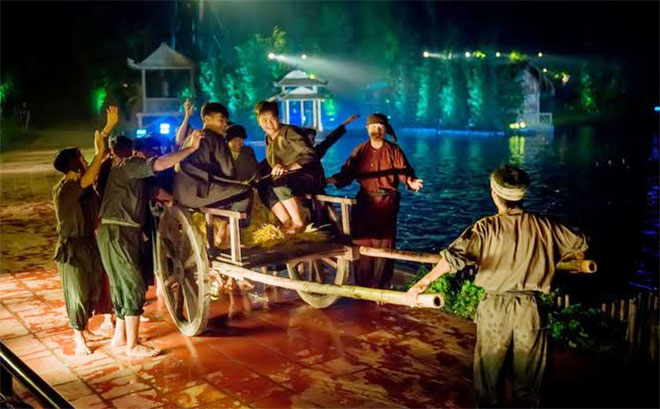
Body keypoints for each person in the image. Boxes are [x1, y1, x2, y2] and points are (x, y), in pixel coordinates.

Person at [404, 164, 588, 408]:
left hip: (495, 310)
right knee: (529, 388)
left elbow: (452, 259)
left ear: (494, 195)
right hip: (530, 311)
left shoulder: (486, 228)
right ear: (522, 196)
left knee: (489, 385)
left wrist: (421, 285)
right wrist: (566, 258)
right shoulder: (545, 226)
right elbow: (581, 243)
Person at [98, 131, 203, 357]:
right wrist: (191, 149)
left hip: (112, 232)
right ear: (137, 152)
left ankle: (120, 337)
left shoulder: (120, 170)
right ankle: (132, 345)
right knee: (132, 284)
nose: (149, 158)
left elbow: (152, 191)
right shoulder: (130, 164)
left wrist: (169, 198)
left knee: (121, 284)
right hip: (121, 232)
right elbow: (162, 163)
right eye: (148, 154)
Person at [327, 113, 423, 289]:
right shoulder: (360, 150)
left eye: (380, 127)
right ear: (367, 129)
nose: (376, 130)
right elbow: (346, 174)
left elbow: (404, 172)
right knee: (362, 243)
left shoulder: (394, 151)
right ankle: (363, 286)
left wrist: (410, 181)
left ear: (385, 130)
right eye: (373, 127)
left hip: (386, 204)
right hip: (364, 203)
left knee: (383, 245)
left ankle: (381, 287)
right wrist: (329, 180)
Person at [52, 106, 118, 355]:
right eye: (80, 157)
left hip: (88, 242)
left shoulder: (80, 182)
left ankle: (86, 328)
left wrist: (107, 130)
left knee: (93, 286)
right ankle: (78, 335)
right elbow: (92, 172)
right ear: (72, 163)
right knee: (77, 292)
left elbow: (95, 167)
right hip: (73, 247)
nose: (84, 160)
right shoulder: (67, 188)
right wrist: (99, 151)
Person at [173, 102, 252, 248]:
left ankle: (221, 236)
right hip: (199, 192)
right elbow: (229, 171)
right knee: (245, 192)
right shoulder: (215, 137)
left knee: (229, 192)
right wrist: (239, 182)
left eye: (225, 121)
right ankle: (227, 237)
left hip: (181, 193)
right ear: (207, 119)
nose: (224, 125)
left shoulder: (192, 137)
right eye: (221, 120)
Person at [254, 100, 326, 234]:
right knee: (262, 185)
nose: (269, 124)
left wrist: (287, 167)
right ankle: (286, 221)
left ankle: (298, 222)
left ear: (278, 118)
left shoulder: (290, 132)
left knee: (280, 183)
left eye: (272, 119)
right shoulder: (268, 138)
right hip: (288, 176)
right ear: (259, 122)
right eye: (264, 120)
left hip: (308, 175)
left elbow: (310, 155)